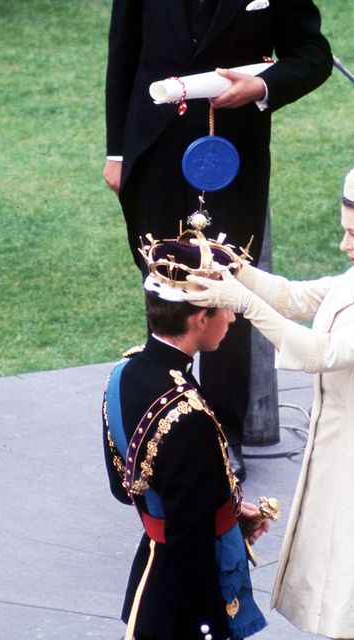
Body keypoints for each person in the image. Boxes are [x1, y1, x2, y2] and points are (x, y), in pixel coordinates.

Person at [182, 159, 354, 639]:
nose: (345, 245)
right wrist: (236, 268)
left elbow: (322, 352)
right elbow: (295, 297)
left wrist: (240, 299)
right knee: (338, 594)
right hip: (337, 455)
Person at [103, 0, 333, 480]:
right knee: (164, 282)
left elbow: (312, 54)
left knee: (230, 282)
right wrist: (118, 152)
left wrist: (263, 86)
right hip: (154, 150)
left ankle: (223, 433)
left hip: (231, 156)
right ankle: (157, 418)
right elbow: (123, 52)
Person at [102, 223, 272, 640]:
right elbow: (190, 539)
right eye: (225, 307)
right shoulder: (188, 415)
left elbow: (125, 488)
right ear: (200, 318)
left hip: (152, 576)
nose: (232, 317)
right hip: (184, 603)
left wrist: (225, 509)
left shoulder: (122, 373)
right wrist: (210, 624)